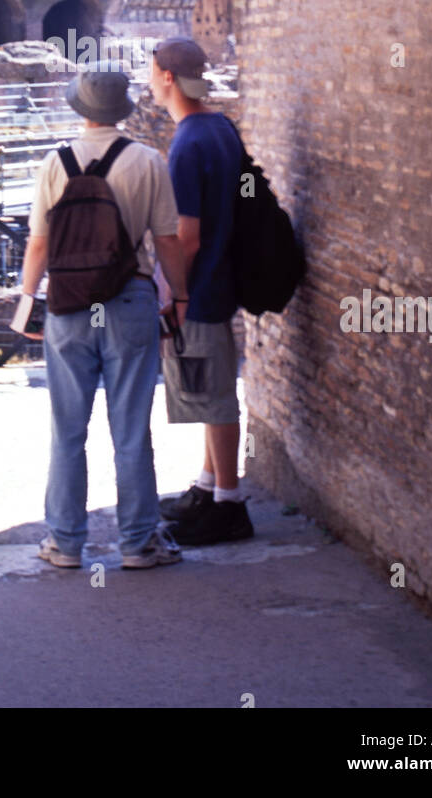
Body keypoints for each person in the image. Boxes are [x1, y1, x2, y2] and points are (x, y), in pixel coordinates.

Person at [20, 64, 190, 569]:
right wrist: (178, 298)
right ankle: (138, 543)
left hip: (70, 306)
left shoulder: (55, 162)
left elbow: (39, 243)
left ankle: (65, 544)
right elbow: (166, 240)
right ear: (122, 110)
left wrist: (28, 301)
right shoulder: (146, 160)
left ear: (81, 110)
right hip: (128, 300)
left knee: (67, 428)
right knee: (131, 428)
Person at [149, 37, 254, 545]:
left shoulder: (188, 142)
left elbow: (185, 236)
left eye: (151, 72)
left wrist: (174, 292)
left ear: (168, 77)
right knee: (213, 386)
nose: (149, 82)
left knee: (213, 396)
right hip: (224, 274)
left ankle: (230, 506)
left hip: (202, 286)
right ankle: (209, 485)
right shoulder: (220, 128)